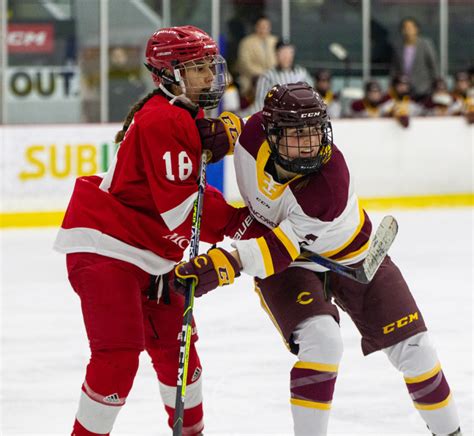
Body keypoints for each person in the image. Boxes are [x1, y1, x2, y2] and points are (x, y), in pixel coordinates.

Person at [175, 83, 463, 436]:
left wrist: (226, 263)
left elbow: (275, 251)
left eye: (314, 132)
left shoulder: (329, 185)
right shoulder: (253, 137)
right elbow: (246, 127)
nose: (310, 143)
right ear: (271, 134)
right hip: (290, 263)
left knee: (417, 349)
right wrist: (229, 129)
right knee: (322, 342)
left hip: (349, 254)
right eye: (297, 134)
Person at [53, 25, 255, 436]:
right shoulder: (163, 119)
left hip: (153, 252)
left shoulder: (185, 113)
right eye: (196, 68)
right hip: (108, 251)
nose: (207, 77)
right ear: (168, 75)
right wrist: (242, 223)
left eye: (208, 66)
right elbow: (182, 210)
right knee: (118, 358)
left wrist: (233, 129)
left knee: (179, 352)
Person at [249, 39, 314, 113]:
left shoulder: (301, 72)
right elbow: (260, 103)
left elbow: (311, 96)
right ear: (276, 54)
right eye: (283, 52)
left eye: (290, 52)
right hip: (277, 117)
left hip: (299, 116)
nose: (286, 56)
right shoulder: (267, 76)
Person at [390, 17, 439, 101]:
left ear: (416, 29)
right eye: (404, 28)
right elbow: (395, 68)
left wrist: (435, 85)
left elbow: (433, 66)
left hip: (423, 89)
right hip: (404, 90)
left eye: (410, 28)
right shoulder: (398, 46)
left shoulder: (425, 44)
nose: (407, 30)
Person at [236, 15, 278, 102]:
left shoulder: (275, 41)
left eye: (266, 26)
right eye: (261, 26)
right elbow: (245, 63)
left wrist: (272, 74)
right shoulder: (247, 42)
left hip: (274, 79)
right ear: (256, 27)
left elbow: (279, 60)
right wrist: (263, 74)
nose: (264, 29)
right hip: (251, 79)